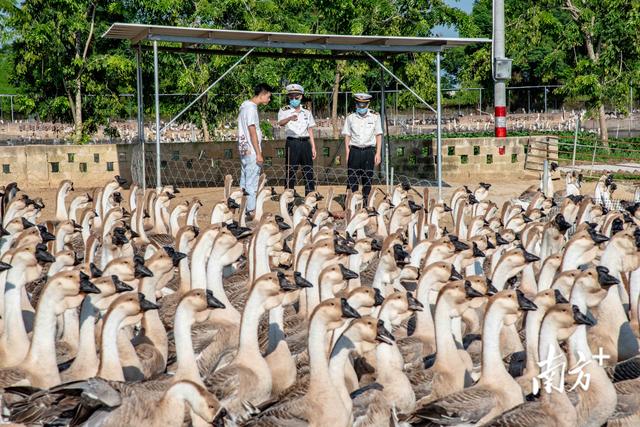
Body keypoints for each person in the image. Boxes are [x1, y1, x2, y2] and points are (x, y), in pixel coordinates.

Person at [237, 83, 273, 220]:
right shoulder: (251, 109)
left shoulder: (244, 107)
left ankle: (243, 208)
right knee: (251, 182)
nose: (269, 100)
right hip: (252, 150)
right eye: (268, 96)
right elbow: (252, 132)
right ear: (262, 94)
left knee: (244, 180)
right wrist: (258, 153)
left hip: (244, 149)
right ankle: (250, 211)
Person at [342, 92, 382, 204]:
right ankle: (351, 203)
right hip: (354, 150)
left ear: (368, 104)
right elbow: (347, 135)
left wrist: (378, 153)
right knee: (352, 179)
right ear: (356, 104)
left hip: (369, 151)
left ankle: (365, 203)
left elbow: (378, 135)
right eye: (359, 104)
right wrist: (347, 152)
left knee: (367, 179)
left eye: (364, 105)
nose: (361, 107)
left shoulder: (375, 116)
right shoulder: (350, 117)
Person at [277, 84, 317, 195]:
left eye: (296, 97)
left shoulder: (307, 112)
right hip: (292, 143)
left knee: (308, 172)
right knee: (291, 172)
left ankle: (311, 200)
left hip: (305, 143)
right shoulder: (284, 110)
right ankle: (288, 202)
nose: (294, 100)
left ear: (301, 97)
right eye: (291, 97)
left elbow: (310, 130)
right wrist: (289, 118)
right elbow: (280, 123)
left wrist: (313, 146)